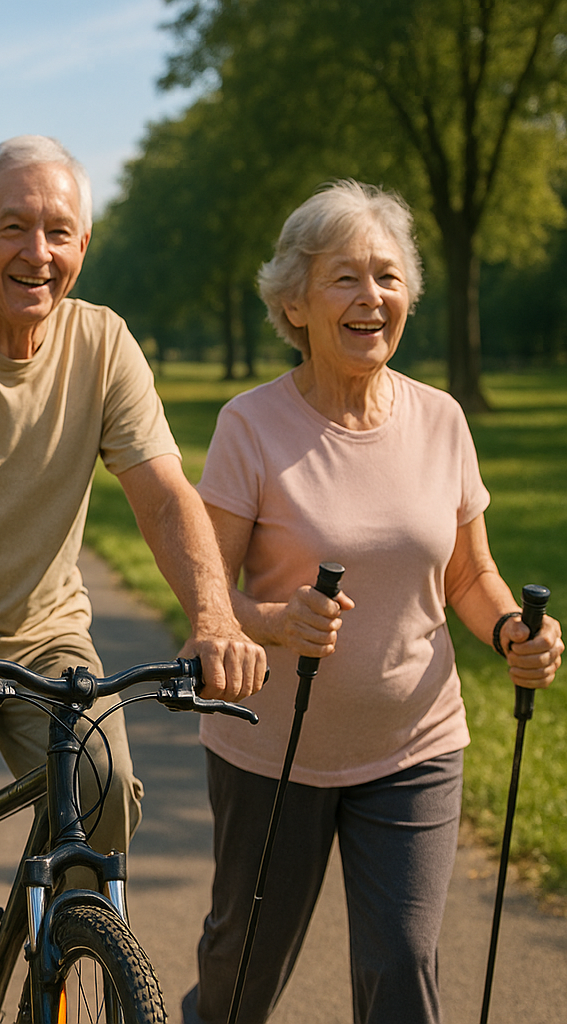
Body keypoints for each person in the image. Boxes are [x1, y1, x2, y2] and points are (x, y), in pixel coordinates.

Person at [0, 134, 267, 1023]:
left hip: (42, 630)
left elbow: (164, 496)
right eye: (13, 227)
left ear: (82, 248)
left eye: (58, 232)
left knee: (105, 794)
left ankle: (53, 970)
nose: (38, 252)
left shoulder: (103, 344)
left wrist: (215, 614)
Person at [181, 180, 563, 1024]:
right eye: (345, 278)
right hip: (271, 751)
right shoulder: (250, 425)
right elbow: (206, 595)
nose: (372, 298)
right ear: (297, 301)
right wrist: (275, 623)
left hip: (415, 746)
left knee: (403, 970)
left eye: (388, 277)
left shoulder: (442, 421)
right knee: (241, 977)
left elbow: (469, 574)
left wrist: (509, 631)